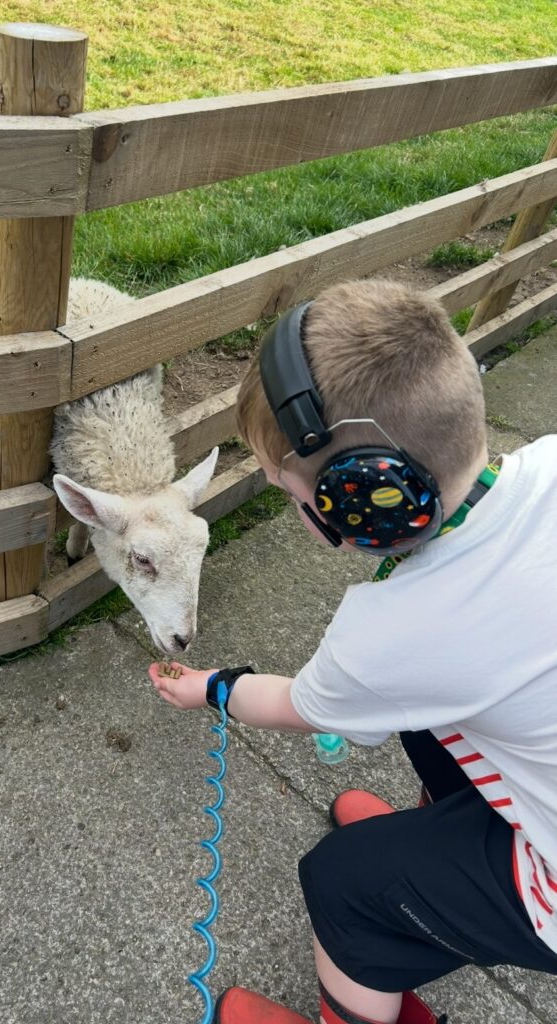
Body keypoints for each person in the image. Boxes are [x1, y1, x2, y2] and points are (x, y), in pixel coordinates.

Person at [148, 279, 557, 1024]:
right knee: (431, 717)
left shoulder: (396, 635)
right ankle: (439, 845)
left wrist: (207, 688)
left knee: (341, 883)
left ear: (356, 499)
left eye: (284, 490)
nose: (286, 500)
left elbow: (291, 704)